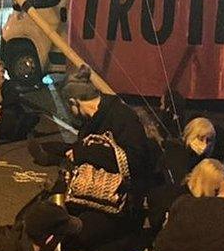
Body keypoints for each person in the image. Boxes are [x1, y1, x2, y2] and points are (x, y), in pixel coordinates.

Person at [27, 65, 153, 193]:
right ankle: (49, 153)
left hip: (121, 189)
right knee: (69, 149)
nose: (70, 113)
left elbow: (135, 160)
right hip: (98, 175)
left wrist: (83, 153)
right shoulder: (92, 119)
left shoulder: (122, 116)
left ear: (73, 102)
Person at [147, 117, 224, 232]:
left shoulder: (201, 160)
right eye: (201, 138)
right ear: (190, 134)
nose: (205, 144)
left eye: (209, 140)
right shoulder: (175, 155)